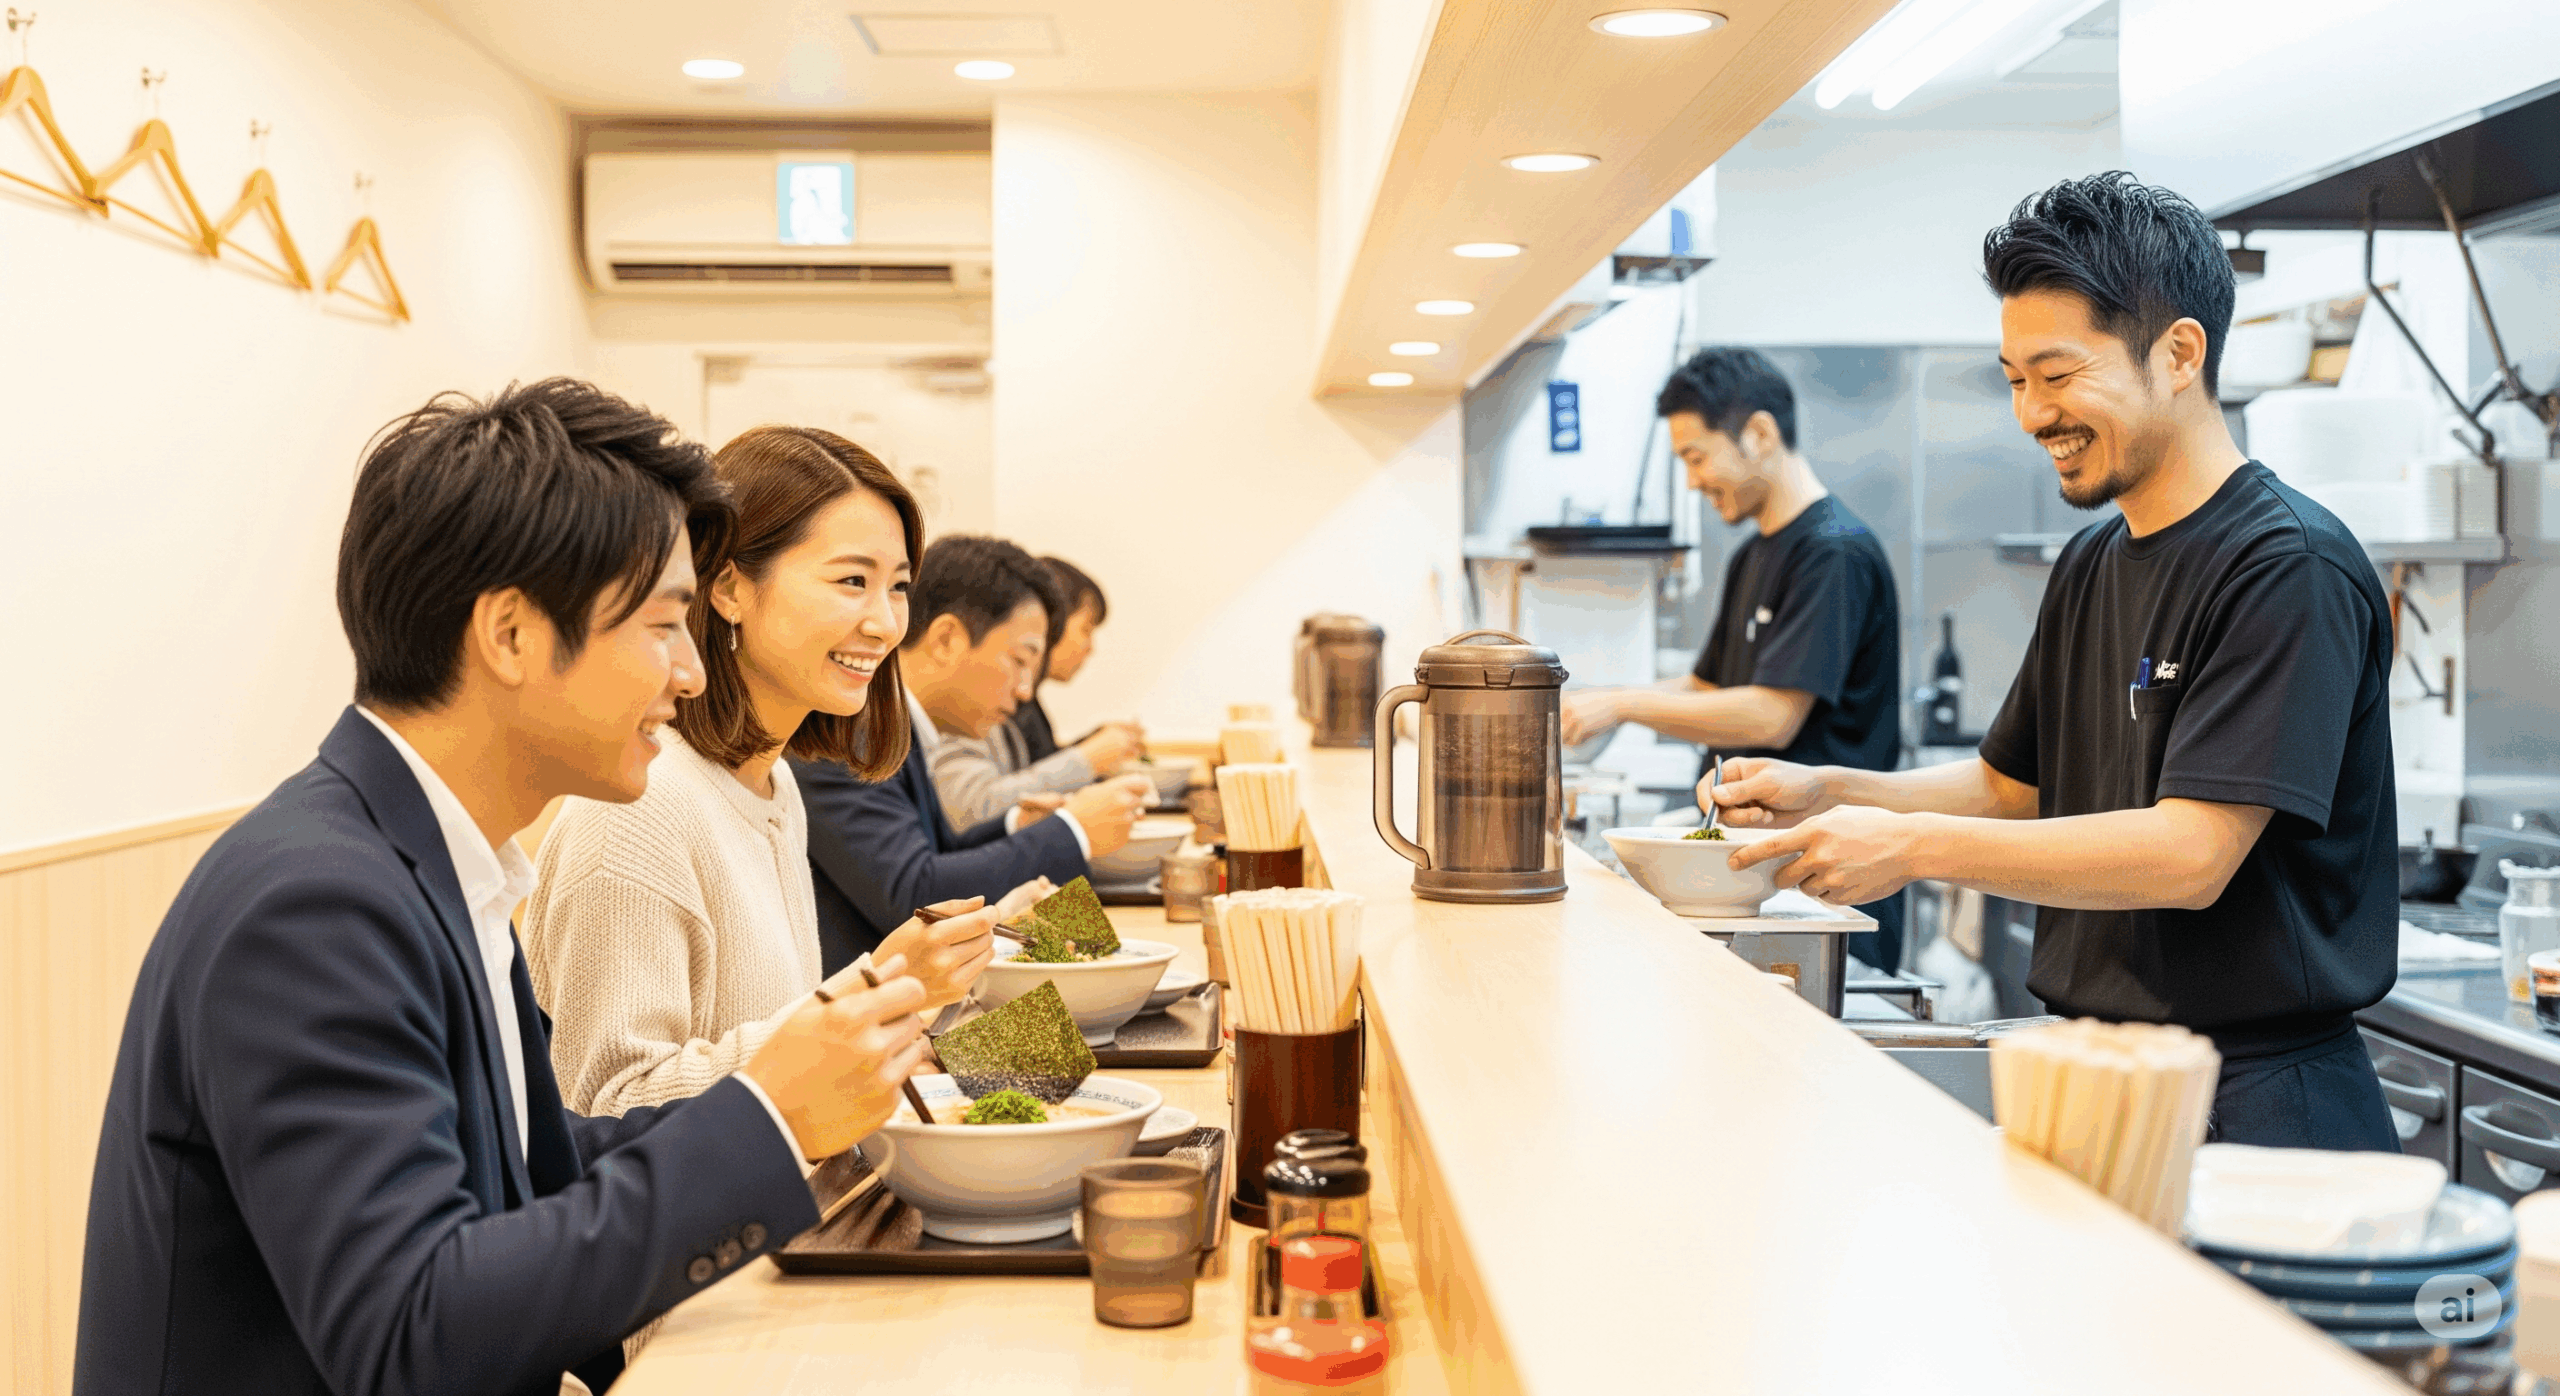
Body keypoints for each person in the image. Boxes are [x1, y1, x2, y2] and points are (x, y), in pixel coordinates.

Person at [77, 380, 939, 1396]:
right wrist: (764, 1116)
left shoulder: (432, 860)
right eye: (663, 626)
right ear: (512, 635)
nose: (691, 674)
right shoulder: (313, 904)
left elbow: (538, 1166)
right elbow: (411, 1333)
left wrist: (786, 1106)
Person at [1716, 172, 2399, 1152]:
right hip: (2098, 1072)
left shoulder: (2283, 563)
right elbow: (2010, 786)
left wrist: (1907, 848)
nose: (2032, 413)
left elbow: (2192, 852)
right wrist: (1829, 790)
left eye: (2058, 372)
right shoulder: (2093, 556)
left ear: (2177, 354)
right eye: (2012, 378)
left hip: (2252, 1105)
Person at [521, 425, 1005, 1120]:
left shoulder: (775, 787)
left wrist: (883, 1012)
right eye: (851, 581)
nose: (885, 622)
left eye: (897, 587)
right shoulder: (637, 810)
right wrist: (871, 995)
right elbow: (606, 1110)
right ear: (727, 590)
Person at [1559, 347, 1905, 970]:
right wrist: (1593, 703)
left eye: (1696, 457)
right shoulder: (1754, 556)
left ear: (1760, 433)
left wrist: (1622, 705)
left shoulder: (1834, 554)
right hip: (1750, 884)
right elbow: (1702, 685)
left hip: (1821, 890)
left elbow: (1773, 718)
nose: (1692, 480)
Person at [794, 534, 1150, 969]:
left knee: (1120, 986)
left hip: (927, 997)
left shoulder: (901, 725)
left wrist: (1019, 822)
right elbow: (914, 895)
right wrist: (1072, 829)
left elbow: (935, 854)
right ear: (946, 639)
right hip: (890, 1015)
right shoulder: (849, 728)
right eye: (1020, 661)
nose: (1024, 691)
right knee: (1101, 1007)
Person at [931, 555, 1145, 827]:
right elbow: (973, 810)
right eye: (1085, 630)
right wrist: (1087, 758)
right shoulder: (966, 700)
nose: (1090, 647)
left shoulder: (1011, 701)